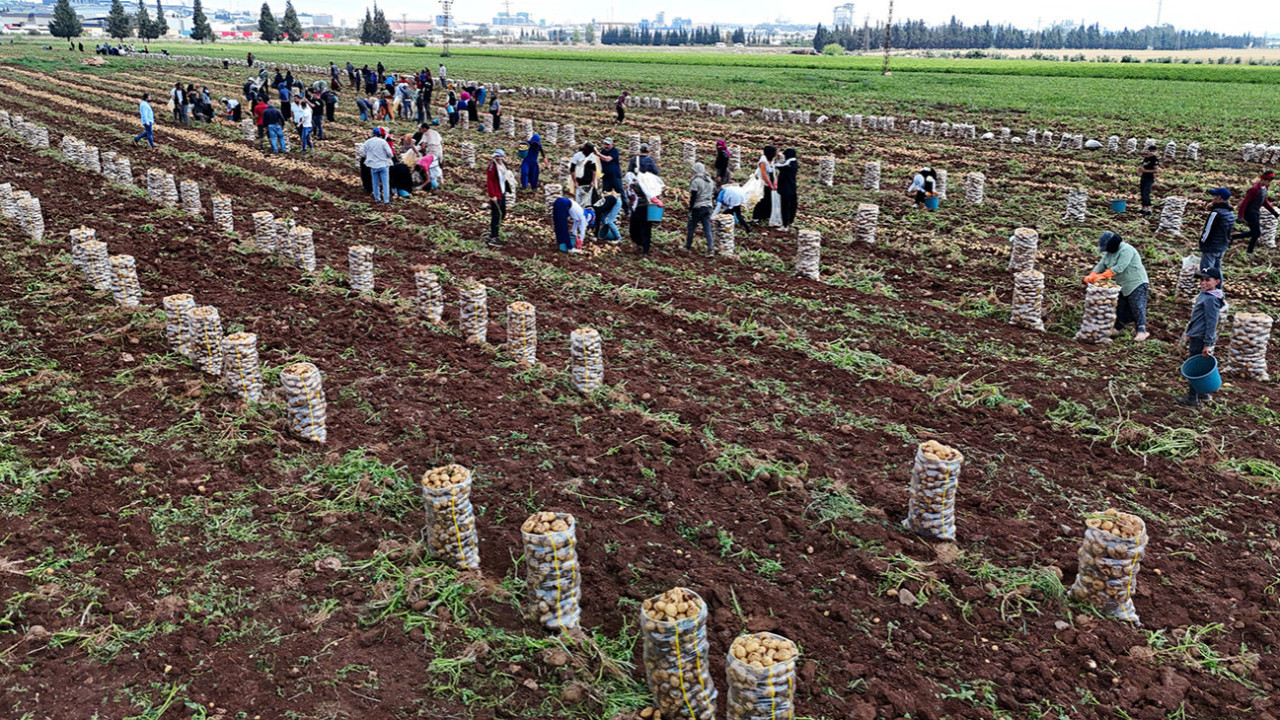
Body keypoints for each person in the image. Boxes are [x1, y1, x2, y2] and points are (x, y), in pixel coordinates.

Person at [1085, 231, 1150, 342]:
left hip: (1136, 282)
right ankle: (1118, 328)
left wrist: (1101, 276)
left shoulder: (1126, 250)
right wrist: (1092, 274)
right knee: (1120, 306)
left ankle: (1142, 331)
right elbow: (1101, 264)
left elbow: (1120, 267)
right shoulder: (1109, 254)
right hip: (1121, 285)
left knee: (1137, 306)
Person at [1177, 267, 1225, 407]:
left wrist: (1208, 344)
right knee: (1200, 364)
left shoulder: (1211, 299)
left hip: (1201, 338)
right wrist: (1189, 334)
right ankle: (1203, 394)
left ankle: (1192, 398)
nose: (1203, 283)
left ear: (1216, 281)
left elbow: (1212, 323)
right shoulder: (1205, 294)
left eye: (1207, 280)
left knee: (1196, 367)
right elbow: (1197, 318)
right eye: (1201, 280)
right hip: (1196, 335)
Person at [1233, 171, 1279, 253]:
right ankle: (1249, 252)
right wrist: (1240, 216)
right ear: (1262, 179)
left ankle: (1233, 237)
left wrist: (1273, 211)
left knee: (1253, 232)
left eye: (1270, 181)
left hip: (1255, 212)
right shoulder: (1254, 189)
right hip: (1249, 213)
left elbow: (1264, 201)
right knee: (1256, 233)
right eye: (1267, 180)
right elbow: (1244, 203)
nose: (1268, 182)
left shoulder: (1265, 188)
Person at [1199, 188, 1236, 277]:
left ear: (1219, 198)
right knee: (1217, 270)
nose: (1212, 198)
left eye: (1214, 196)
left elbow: (1208, 230)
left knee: (1206, 270)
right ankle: (1217, 290)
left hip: (1211, 246)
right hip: (1222, 246)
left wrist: (1202, 242)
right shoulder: (1230, 214)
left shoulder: (1215, 213)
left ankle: (1207, 290)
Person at [359, 129, 395, 205]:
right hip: (383, 165)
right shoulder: (383, 142)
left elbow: (361, 150)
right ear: (380, 134)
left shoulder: (368, 142)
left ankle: (377, 199)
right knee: (385, 183)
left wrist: (367, 155)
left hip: (373, 166)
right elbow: (390, 153)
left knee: (375, 183)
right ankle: (386, 200)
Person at [686, 162, 715, 255]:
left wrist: (690, 209)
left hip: (698, 207)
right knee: (707, 229)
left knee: (691, 227)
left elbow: (693, 197)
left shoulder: (696, 181)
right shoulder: (709, 180)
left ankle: (688, 246)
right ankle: (711, 249)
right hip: (708, 207)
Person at [629, 172, 657, 257]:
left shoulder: (641, 185)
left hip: (643, 207)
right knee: (633, 228)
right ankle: (639, 243)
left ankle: (645, 249)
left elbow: (649, 194)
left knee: (644, 228)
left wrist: (656, 201)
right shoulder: (630, 187)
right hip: (635, 208)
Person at [486, 149, 509, 246]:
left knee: (503, 213)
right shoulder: (492, 166)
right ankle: (493, 237)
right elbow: (490, 181)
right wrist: (492, 195)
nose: (499, 158)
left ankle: (496, 230)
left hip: (502, 192)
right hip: (496, 194)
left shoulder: (503, 165)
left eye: (501, 156)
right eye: (497, 156)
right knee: (496, 215)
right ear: (494, 157)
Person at [553, 187, 586, 253]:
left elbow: (574, 229)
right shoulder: (582, 217)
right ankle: (570, 248)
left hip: (558, 201)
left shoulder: (578, 216)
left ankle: (560, 242)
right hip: (564, 204)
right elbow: (582, 230)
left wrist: (576, 238)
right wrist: (581, 240)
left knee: (558, 224)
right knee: (564, 227)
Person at [752, 146, 779, 225]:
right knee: (761, 200)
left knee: (769, 200)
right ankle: (756, 217)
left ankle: (766, 216)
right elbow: (763, 175)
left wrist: (775, 183)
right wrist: (770, 185)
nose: (776, 154)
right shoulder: (763, 161)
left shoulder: (772, 160)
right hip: (763, 183)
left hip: (770, 181)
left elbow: (774, 173)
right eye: (774, 152)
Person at [776, 149, 800, 230]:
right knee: (792, 206)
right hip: (792, 187)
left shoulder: (788, 165)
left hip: (785, 189)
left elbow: (778, 166)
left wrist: (780, 158)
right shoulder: (794, 163)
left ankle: (785, 225)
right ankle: (790, 221)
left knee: (785, 207)